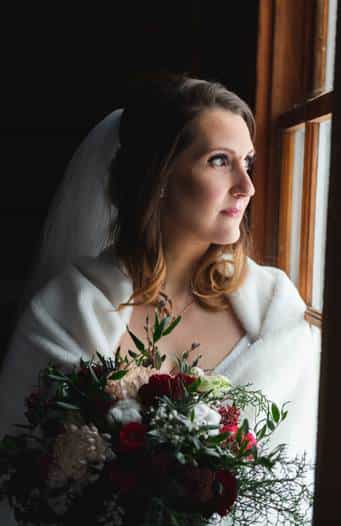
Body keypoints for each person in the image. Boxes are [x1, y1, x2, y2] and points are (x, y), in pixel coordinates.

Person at [0, 75, 321, 524]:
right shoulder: (68, 309)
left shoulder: (277, 315)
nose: (246, 186)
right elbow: (22, 476)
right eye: (219, 161)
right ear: (160, 175)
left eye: (247, 162)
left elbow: (291, 485)